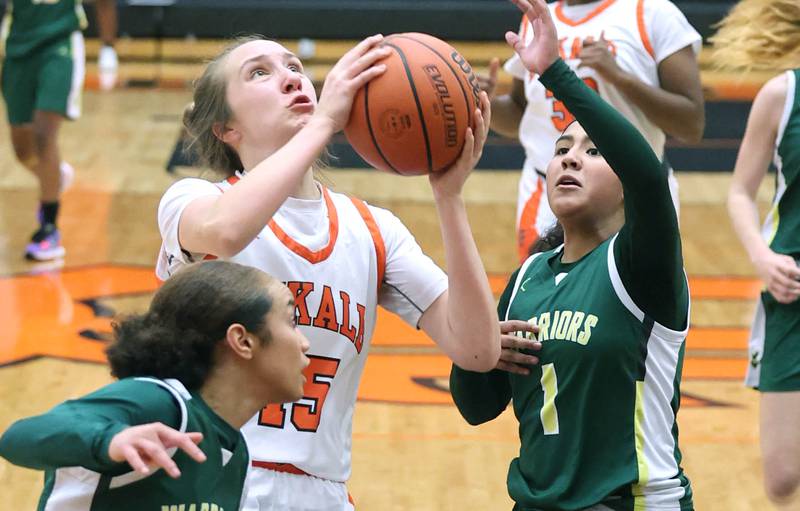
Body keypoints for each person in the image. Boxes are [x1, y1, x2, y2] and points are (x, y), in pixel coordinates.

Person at [156, 34, 501, 510]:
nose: (289, 77)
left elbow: (478, 350)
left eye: (294, 66)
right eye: (259, 72)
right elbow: (226, 232)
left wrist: (450, 198)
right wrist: (323, 123)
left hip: (320, 489)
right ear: (225, 128)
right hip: (211, 479)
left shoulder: (373, 230)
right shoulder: (196, 202)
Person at [450, 0, 693, 509]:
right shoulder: (528, 278)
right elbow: (475, 407)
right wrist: (478, 350)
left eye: (593, 152)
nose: (569, 159)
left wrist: (555, 72)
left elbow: (650, 172)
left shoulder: (641, 268)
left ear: (626, 178)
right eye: (562, 150)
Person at [0, 260, 311, 509]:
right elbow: (20, 437)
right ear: (242, 340)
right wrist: (111, 440)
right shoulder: (161, 402)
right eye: (292, 321)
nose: (305, 343)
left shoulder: (235, 452)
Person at [482, 0, 704, 261]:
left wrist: (619, 76)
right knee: (540, 298)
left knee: (636, 299)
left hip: (633, 192)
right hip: (548, 191)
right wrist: (482, 103)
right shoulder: (539, 18)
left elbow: (691, 124)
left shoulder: (654, 13)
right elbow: (521, 113)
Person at [711, 1, 800, 506]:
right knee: (782, 477)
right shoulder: (782, 95)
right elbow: (741, 192)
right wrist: (763, 258)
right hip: (791, 289)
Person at [1, 0, 86, 261]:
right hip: (18, 44)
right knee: (22, 150)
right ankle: (55, 176)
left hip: (59, 41)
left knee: (43, 134)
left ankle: (49, 227)